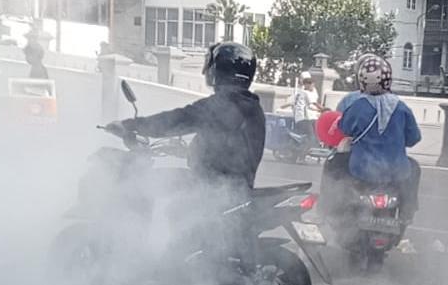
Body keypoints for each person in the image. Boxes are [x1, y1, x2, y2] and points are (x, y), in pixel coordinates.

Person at [106, 42, 265, 194]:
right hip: (232, 189)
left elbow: (177, 120)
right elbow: (227, 150)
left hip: (211, 190)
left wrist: (129, 125)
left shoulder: (223, 105)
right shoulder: (252, 107)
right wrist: (185, 151)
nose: (205, 72)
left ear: (219, 70)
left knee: (147, 183)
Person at [334, 53, 421, 221]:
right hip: (396, 172)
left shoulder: (357, 106)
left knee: (336, 166)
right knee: (414, 168)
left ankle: (332, 210)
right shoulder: (401, 107)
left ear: (362, 80)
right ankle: (407, 212)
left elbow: (344, 128)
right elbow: (414, 138)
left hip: (362, 170)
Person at [293, 71, 324, 140]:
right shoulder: (304, 92)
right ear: (305, 84)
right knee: (311, 136)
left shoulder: (311, 90)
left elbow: (314, 103)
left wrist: (319, 110)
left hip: (310, 116)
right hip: (304, 118)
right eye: (308, 83)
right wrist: (323, 109)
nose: (311, 85)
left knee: (317, 133)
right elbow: (313, 104)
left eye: (311, 82)